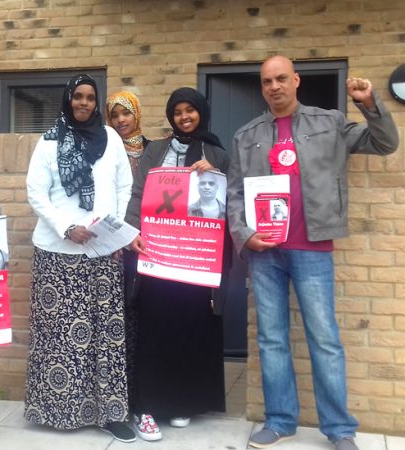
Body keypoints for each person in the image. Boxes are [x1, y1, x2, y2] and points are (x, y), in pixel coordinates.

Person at [226, 56, 398, 450]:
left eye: (282, 78)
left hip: (313, 247)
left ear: (296, 80)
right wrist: (244, 234)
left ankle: (339, 430)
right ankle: (281, 420)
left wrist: (369, 104)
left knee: (324, 339)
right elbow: (235, 193)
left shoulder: (330, 123)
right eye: (267, 81)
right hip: (264, 252)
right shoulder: (246, 134)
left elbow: (385, 143)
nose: (274, 87)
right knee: (271, 339)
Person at [24, 74, 145, 443]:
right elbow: (35, 192)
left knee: (105, 335)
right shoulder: (49, 142)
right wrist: (65, 227)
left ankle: (109, 414)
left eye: (91, 97)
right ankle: (57, 411)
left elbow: (124, 185)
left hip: (102, 251)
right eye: (78, 96)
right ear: (68, 99)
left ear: (97, 102)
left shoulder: (110, 139)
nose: (84, 103)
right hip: (58, 253)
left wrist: (116, 226)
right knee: (60, 337)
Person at [124, 87, 228, 441]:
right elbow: (139, 193)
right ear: (171, 116)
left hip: (196, 257)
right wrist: (132, 232)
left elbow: (228, 200)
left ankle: (182, 400)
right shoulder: (156, 149)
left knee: (191, 326)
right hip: (157, 254)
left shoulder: (217, 152)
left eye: (191, 111)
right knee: (155, 325)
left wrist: (214, 173)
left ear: (201, 112)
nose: (185, 117)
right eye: (178, 112)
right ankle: (148, 405)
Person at [105, 90, 149, 423]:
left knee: (142, 317)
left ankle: (140, 393)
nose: (121, 121)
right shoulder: (104, 149)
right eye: (115, 115)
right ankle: (116, 396)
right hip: (114, 247)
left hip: (147, 246)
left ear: (137, 115)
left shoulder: (153, 149)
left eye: (126, 114)